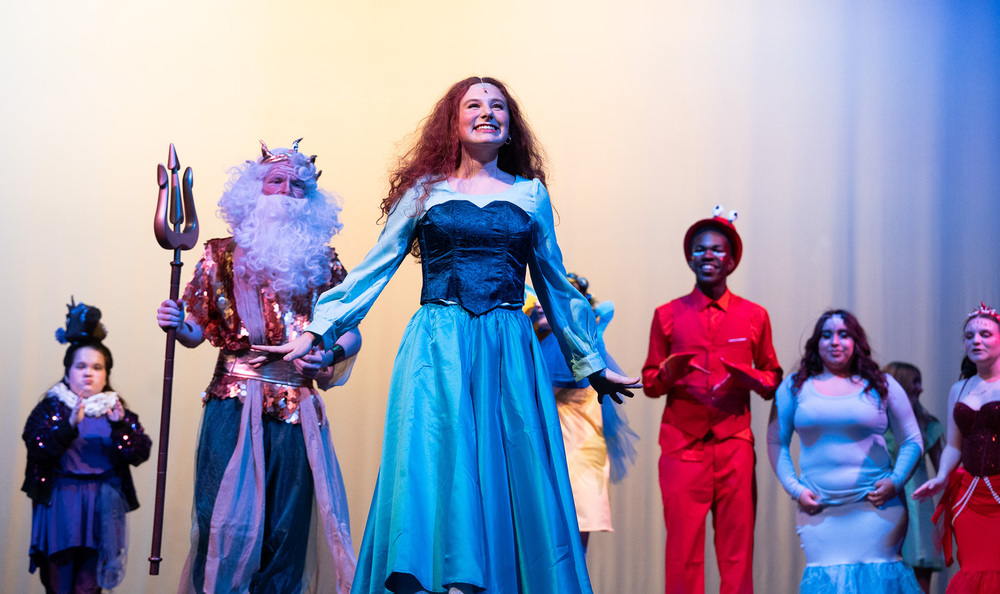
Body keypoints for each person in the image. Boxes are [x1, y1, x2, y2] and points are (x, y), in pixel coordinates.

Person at [260, 76, 640, 594]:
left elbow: (555, 282)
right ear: (453, 123)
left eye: (498, 106)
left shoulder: (530, 195)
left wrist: (590, 363)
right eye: (474, 105)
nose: (487, 112)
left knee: (509, 469)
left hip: (508, 349)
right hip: (437, 346)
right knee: (437, 458)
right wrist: (319, 329)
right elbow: (374, 270)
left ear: (511, 127)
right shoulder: (424, 194)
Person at [156, 140, 361, 594]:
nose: (287, 191)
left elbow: (350, 330)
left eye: (298, 186)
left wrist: (327, 354)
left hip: (295, 407)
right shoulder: (219, 255)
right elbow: (196, 327)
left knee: (286, 530)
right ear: (254, 191)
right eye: (276, 181)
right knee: (221, 523)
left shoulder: (324, 263)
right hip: (233, 402)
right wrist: (178, 323)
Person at [641, 206, 782, 593]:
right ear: (690, 258)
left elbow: (773, 379)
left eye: (717, 250)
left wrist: (748, 376)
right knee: (683, 550)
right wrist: (669, 373)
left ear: (732, 260)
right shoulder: (667, 314)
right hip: (682, 445)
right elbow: (650, 382)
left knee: (737, 551)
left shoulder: (755, 316)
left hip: (733, 443)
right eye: (700, 249)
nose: (708, 255)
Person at [768, 310, 923, 593]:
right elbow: (775, 442)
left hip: (877, 510)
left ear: (857, 342)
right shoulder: (793, 387)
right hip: (819, 511)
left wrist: (896, 480)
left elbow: (913, 440)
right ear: (816, 343)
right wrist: (795, 488)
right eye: (826, 335)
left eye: (843, 335)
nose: (835, 342)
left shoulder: (882, 385)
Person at [23, 300, 152, 593]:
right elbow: (37, 447)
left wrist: (120, 426)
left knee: (88, 587)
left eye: (97, 367)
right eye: (80, 366)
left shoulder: (116, 410)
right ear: (68, 372)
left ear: (106, 374)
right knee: (58, 584)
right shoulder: (51, 406)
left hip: (103, 506)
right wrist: (68, 425)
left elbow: (140, 452)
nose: (88, 373)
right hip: (61, 503)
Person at [527, 273, 639, 551]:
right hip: (561, 450)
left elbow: (542, 394)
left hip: (573, 452)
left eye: (550, 297)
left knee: (568, 542)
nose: (539, 304)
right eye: (539, 297)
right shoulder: (548, 343)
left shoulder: (566, 347)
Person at [913, 303, 1000, 592]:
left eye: (985, 334)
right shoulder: (959, 389)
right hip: (969, 497)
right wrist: (941, 477)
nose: (976, 340)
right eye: (970, 336)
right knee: (973, 569)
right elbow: (953, 445)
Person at [882, 362, 944, 593]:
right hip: (886, 502)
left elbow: (943, 470)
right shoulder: (877, 425)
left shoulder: (928, 425)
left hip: (918, 507)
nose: (920, 388)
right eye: (915, 381)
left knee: (919, 576)